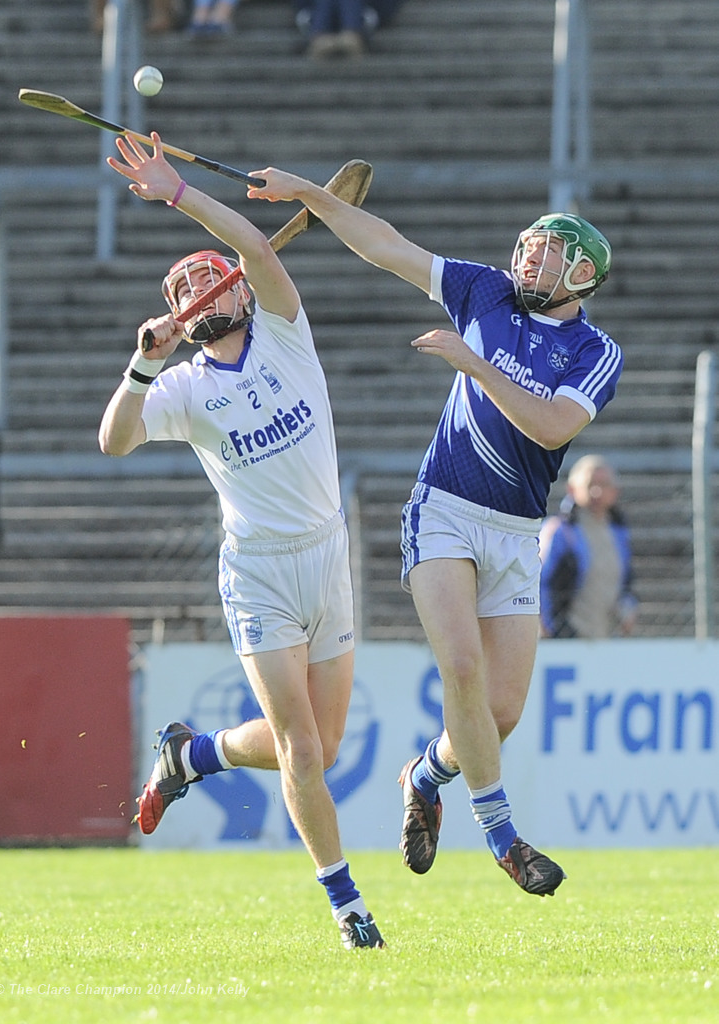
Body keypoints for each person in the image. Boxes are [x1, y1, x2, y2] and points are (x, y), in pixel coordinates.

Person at [246, 171, 623, 897]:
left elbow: (550, 426)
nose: (527, 260)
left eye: (546, 253)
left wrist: (472, 364)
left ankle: (424, 777)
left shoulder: (594, 351)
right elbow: (387, 246)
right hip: (444, 508)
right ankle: (506, 840)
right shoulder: (483, 292)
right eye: (527, 247)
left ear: (582, 273)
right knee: (463, 670)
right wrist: (313, 197)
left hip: (516, 530)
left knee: (501, 712)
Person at [98, 132, 384, 951]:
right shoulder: (183, 388)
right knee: (299, 745)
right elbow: (114, 442)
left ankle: (192, 758)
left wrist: (177, 192)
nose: (200, 291)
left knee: (322, 749)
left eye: (209, 278)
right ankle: (348, 907)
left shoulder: (288, 330)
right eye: (185, 290)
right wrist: (139, 368)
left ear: (241, 295)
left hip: (327, 557)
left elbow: (255, 243)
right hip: (257, 572)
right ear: (182, 322)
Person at [539, 454, 637, 638]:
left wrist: (628, 607)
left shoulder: (618, 532)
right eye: (590, 484)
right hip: (568, 635)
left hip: (605, 633)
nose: (597, 492)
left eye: (604, 484)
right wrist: (553, 629)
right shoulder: (560, 531)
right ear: (572, 489)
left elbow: (626, 580)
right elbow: (543, 583)